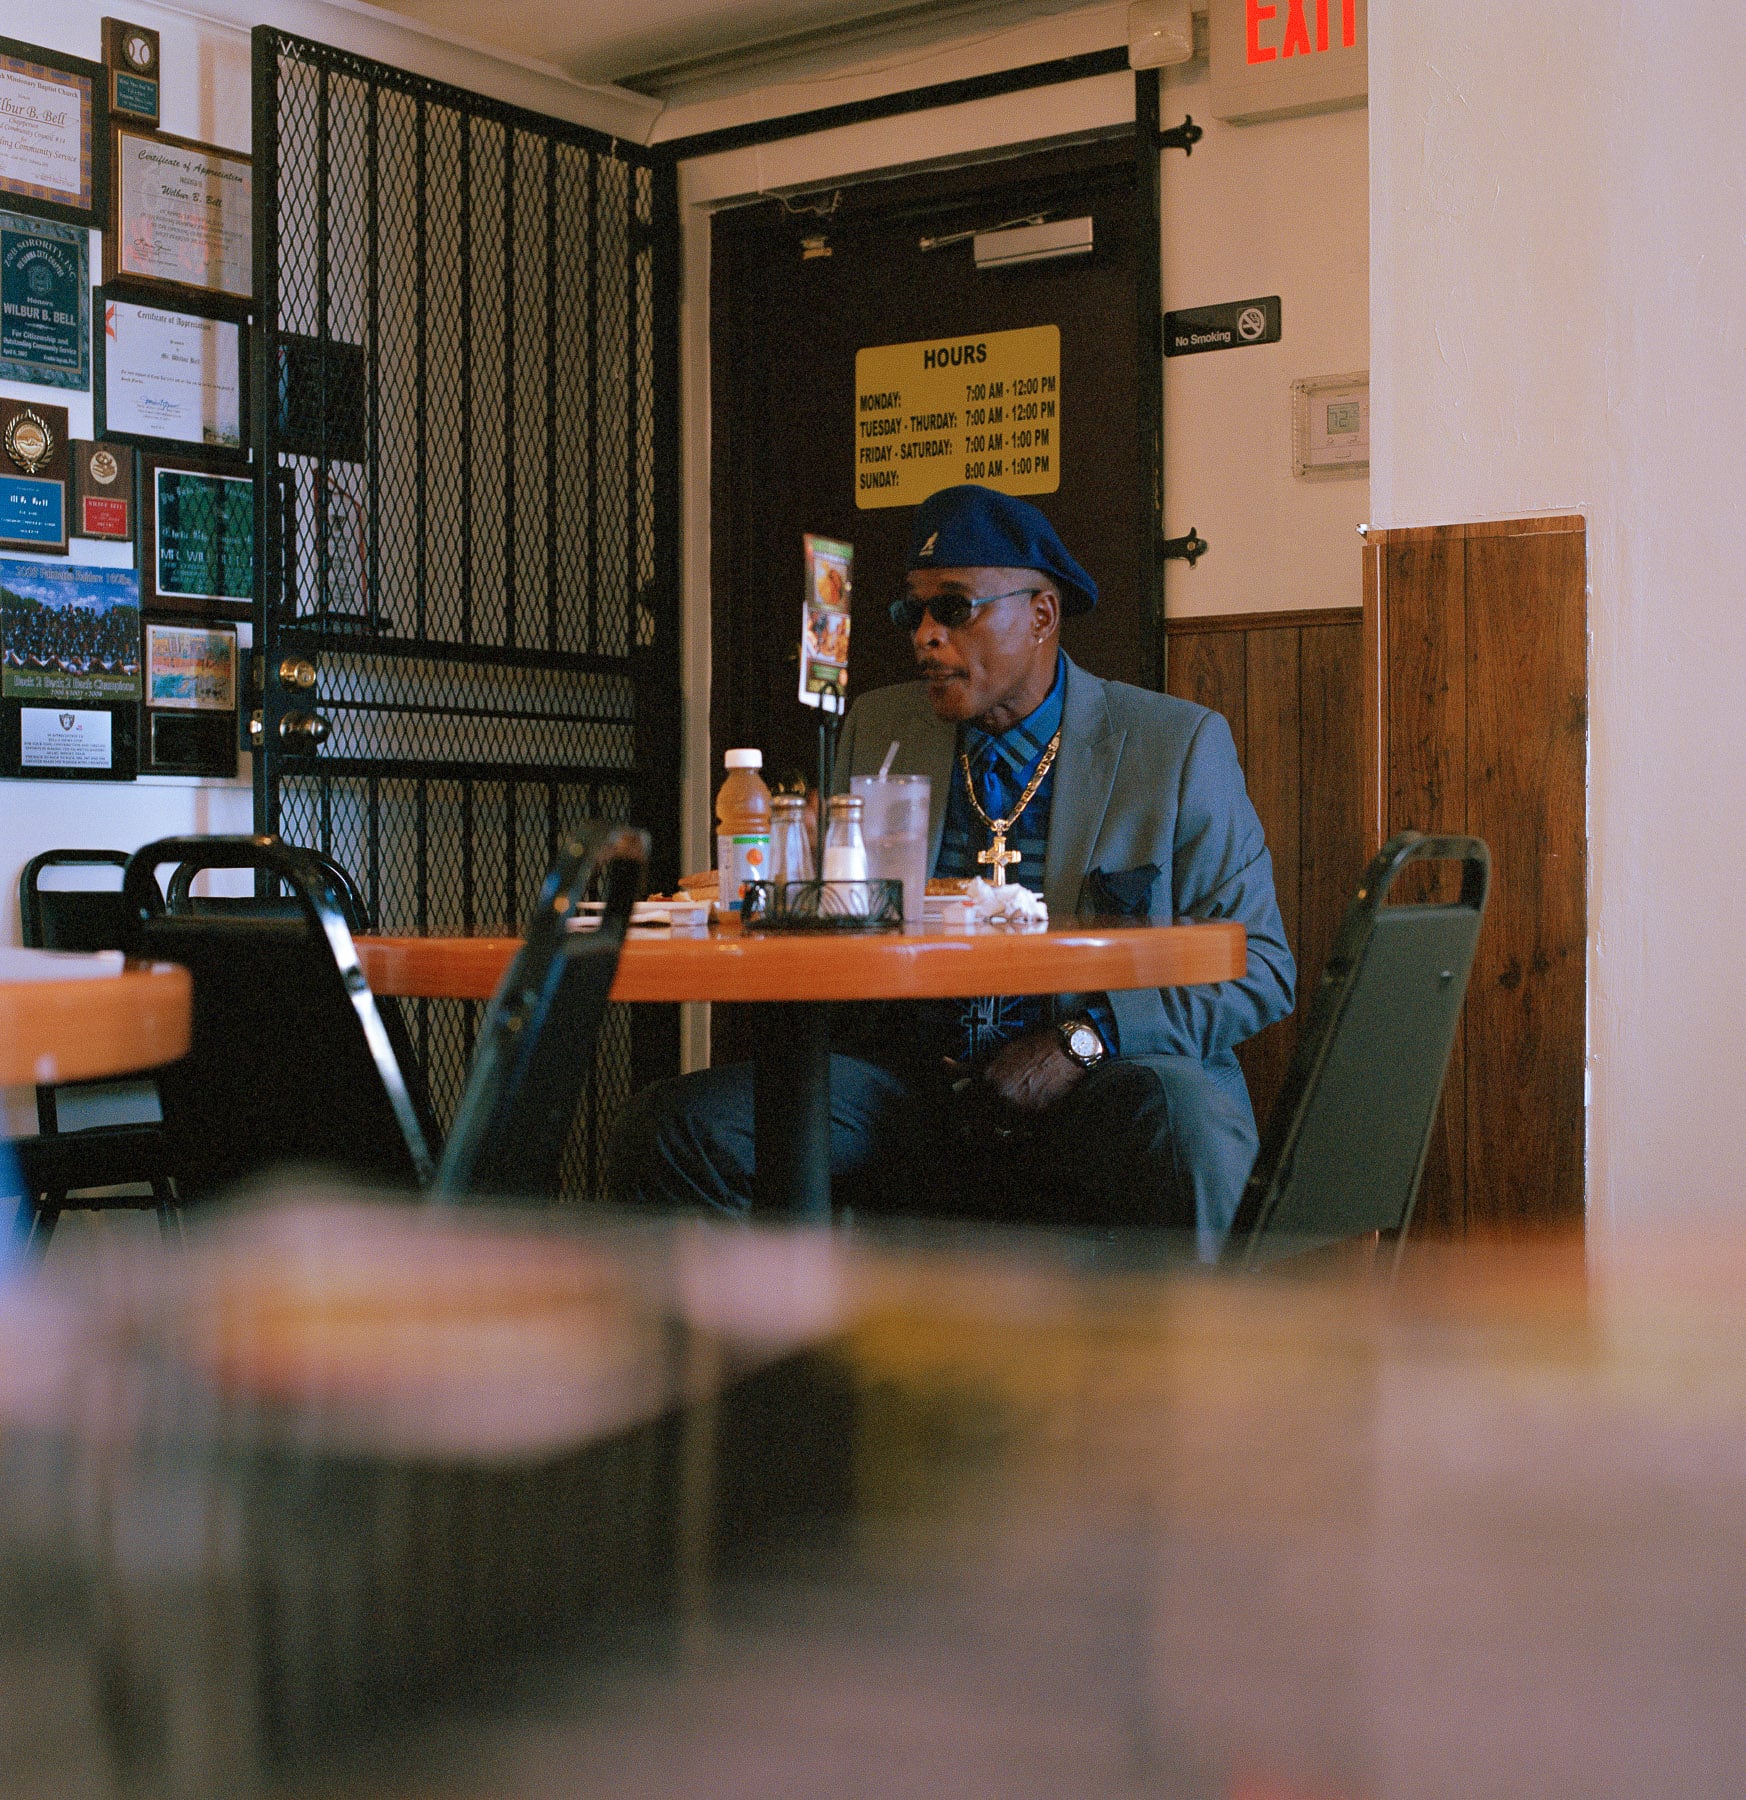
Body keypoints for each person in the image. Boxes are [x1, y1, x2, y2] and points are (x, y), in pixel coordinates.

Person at [607, 485, 1294, 1250]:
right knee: (675, 1128)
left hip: (1098, 1077)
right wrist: (799, 884)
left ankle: (1196, 1334)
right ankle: (772, 1328)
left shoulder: (1173, 746)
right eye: (914, 612)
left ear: (1042, 614)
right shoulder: (880, 727)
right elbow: (837, 926)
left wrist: (1082, 1040)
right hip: (909, 1083)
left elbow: (1261, 967)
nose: (926, 636)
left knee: (1186, 1126)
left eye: (955, 608)